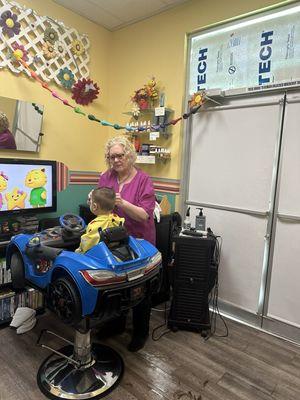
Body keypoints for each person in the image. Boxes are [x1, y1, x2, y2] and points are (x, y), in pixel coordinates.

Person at [98, 135, 156, 352]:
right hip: (114, 241)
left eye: (120, 155)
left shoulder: (143, 180)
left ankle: (140, 332)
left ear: (129, 155)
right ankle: (115, 325)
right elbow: (101, 206)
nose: (115, 160)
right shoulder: (106, 177)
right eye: (111, 157)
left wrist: (122, 203)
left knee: (140, 290)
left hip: (139, 241)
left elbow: (143, 215)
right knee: (117, 285)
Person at [76, 187, 124, 254]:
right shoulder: (118, 219)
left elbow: (87, 244)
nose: (88, 202)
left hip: (96, 255)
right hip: (113, 252)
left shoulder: (94, 225)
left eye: (90, 201)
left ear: (95, 206)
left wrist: (78, 251)